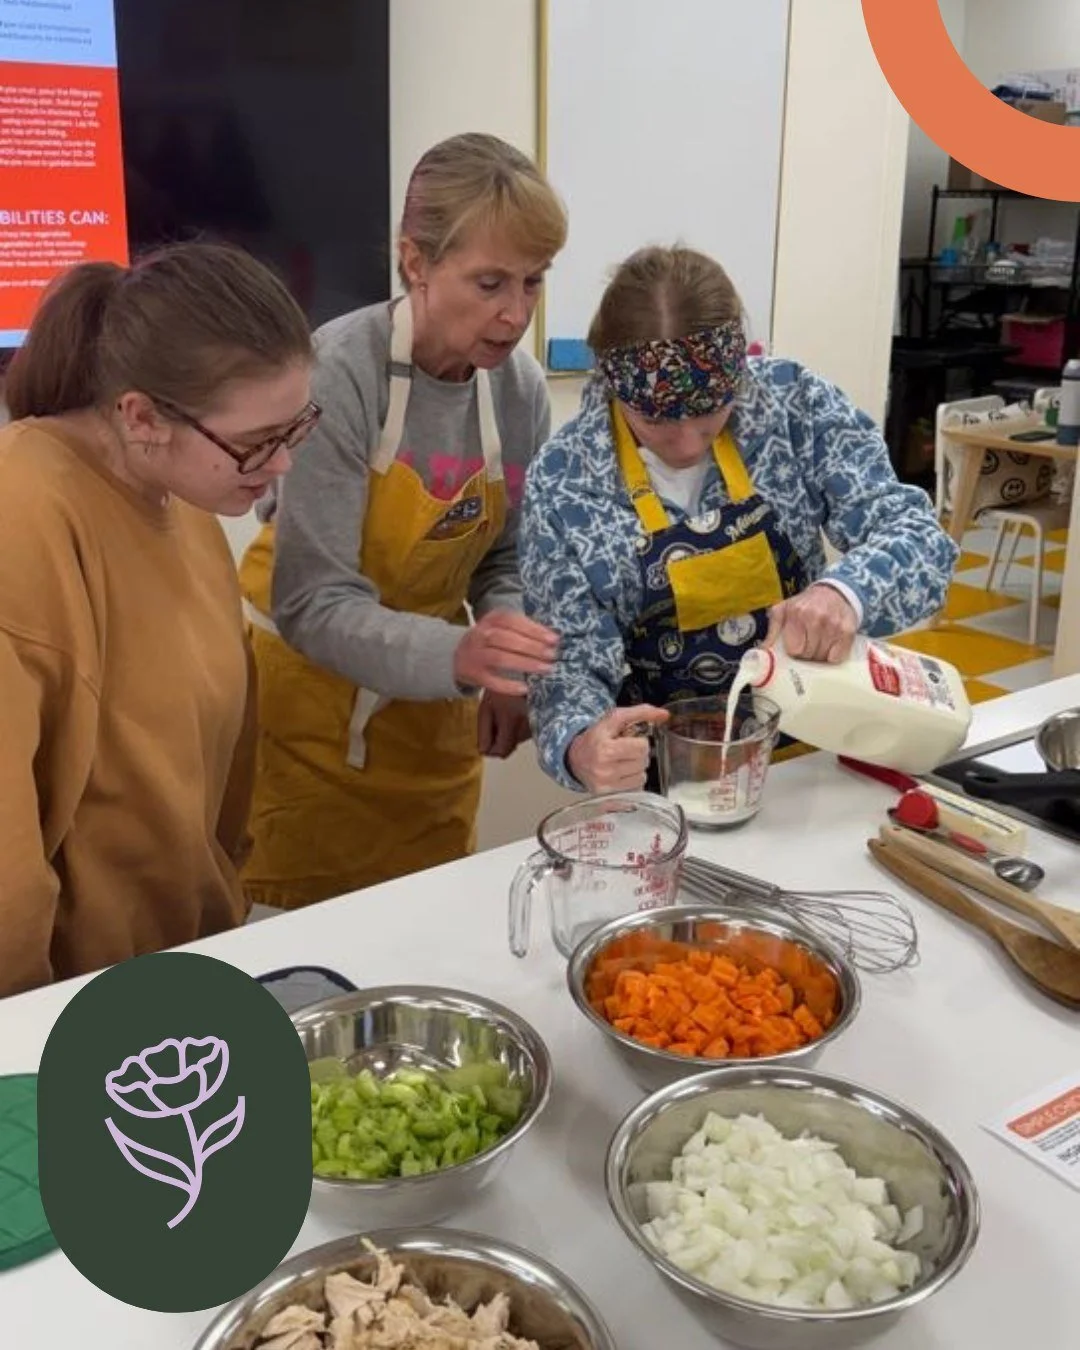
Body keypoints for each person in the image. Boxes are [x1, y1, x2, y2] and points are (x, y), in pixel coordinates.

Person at [238, 132, 568, 909]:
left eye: (533, 282)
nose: (516, 313)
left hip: (427, 734)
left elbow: (505, 558)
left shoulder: (517, 390)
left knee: (425, 930)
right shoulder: (339, 375)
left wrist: (507, 657)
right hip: (306, 731)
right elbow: (314, 600)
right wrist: (463, 654)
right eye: (489, 283)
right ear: (415, 261)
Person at [520, 245, 960, 795]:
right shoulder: (565, 480)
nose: (687, 444)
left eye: (709, 417)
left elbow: (920, 540)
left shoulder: (791, 405)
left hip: (820, 750)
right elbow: (567, 662)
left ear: (737, 374)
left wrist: (845, 594)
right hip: (672, 777)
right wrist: (580, 744)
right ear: (613, 384)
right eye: (657, 423)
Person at [0, 242, 316, 997]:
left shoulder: (183, 498)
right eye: (255, 444)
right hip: (68, 1006)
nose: (282, 466)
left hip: (178, 971)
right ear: (141, 416)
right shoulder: (23, 522)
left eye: (296, 427)